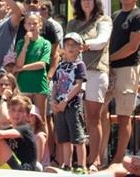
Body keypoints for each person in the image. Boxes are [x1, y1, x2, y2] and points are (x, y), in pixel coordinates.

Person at [99, 0, 140, 168]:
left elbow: (133, 47)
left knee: (124, 115)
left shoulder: (139, 16)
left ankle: (118, 160)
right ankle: (101, 156)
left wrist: (109, 58)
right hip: (109, 69)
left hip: (127, 69)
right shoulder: (115, 15)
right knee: (100, 111)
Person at [53, 32, 90, 172]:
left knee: (77, 137)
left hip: (73, 104)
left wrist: (66, 100)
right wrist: (53, 101)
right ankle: (66, 164)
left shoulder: (79, 65)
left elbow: (78, 85)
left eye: (74, 45)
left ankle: (81, 165)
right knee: (64, 137)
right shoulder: (61, 65)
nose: (70, 47)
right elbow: (55, 84)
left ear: (80, 47)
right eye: (68, 44)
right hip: (60, 105)